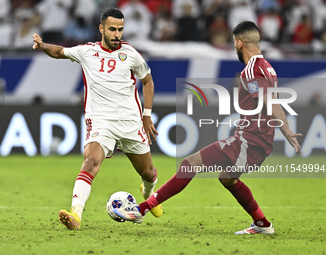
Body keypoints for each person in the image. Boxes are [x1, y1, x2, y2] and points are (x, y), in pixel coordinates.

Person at [113, 21, 302, 235]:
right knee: (227, 178)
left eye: (233, 42)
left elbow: (269, 100)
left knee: (189, 164)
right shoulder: (267, 67)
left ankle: (141, 209)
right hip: (258, 139)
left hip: (248, 141)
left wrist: (285, 129)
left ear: (239, 43)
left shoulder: (251, 70)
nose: (233, 46)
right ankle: (262, 224)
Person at [32, 7, 163, 230]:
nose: (117, 34)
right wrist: (43, 45)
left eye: (120, 29)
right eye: (112, 29)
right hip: (101, 120)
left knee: (148, 173)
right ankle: (76, 215)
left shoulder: (131, 53)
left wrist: (147, 115)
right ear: (101, 28)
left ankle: (149, 195)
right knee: (91, 161)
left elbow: (148, 81)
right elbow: (59, 52)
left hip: (130, 121)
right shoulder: (87, 51)